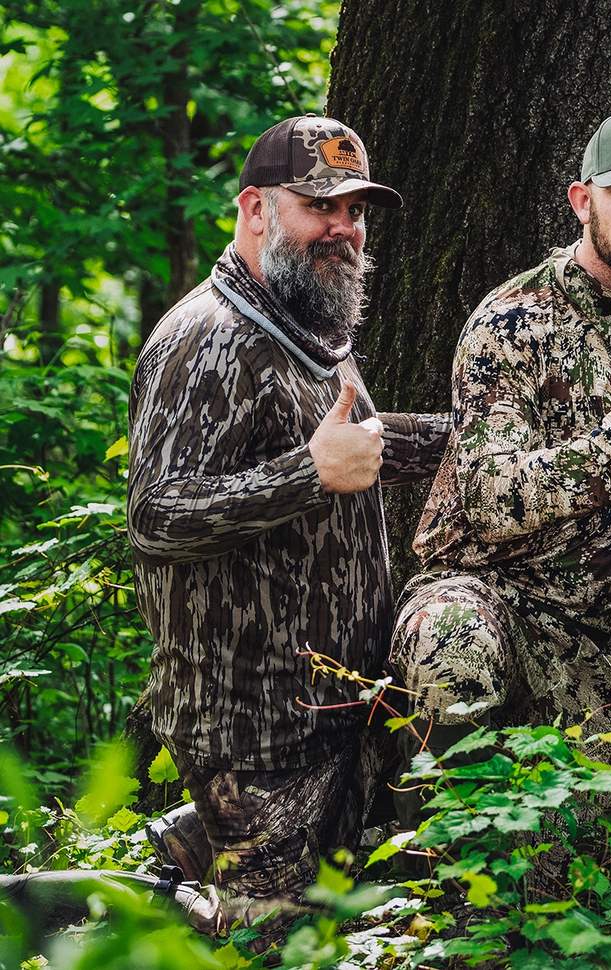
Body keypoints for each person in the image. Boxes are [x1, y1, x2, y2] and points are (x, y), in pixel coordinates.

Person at [127, 114, 449, 906]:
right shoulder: (209, 339)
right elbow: (157, 517)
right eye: (319, 206)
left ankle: (187, 853)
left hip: (327, 720)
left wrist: (486, 440)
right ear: (255, 210)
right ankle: (110, 904)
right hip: (253, 743)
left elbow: (362, 447)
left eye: (356, 211)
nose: (342, 229)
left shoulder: (301, 330)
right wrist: (309, 473)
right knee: (272, 955)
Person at [389, 108, 611, 751]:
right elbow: (485, 500)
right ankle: (432, 841)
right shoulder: (512, 321)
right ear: (583, 202)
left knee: (586, 838)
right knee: (450, 640)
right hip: (495, 596)